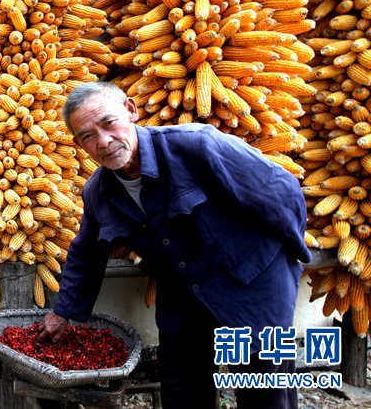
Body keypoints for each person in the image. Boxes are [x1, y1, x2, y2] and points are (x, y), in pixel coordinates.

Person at [38, 81, 310, 409]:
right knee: (183, 390)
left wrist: (289, 262)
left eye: (108, 124)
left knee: (266, 393)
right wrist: (63, 313)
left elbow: (280, 191)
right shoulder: (100, 193)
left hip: (250, 286)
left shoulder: (196, 146)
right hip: (184, 293)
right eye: (88, 136)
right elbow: (86, 254)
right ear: (80, 145)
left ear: (131, 110)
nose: (104, 142)